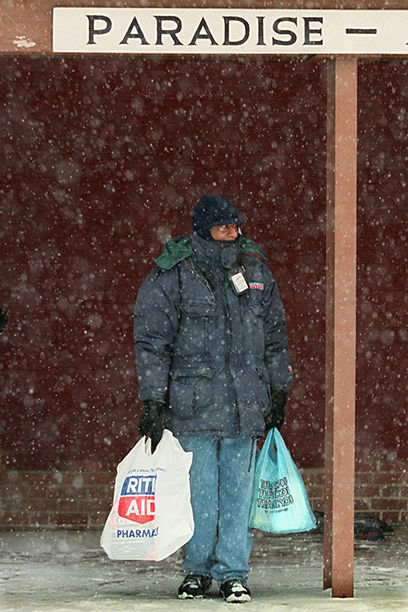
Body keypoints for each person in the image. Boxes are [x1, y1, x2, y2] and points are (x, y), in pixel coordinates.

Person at [133, 195, 293, 603]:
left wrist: (279, 389)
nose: (233, 233)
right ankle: (197, 570)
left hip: (244, 405)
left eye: (235, 226)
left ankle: (234, 573)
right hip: (194, 407)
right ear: (204, 229)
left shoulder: (255, 272)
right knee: (199, 495)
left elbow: (275, 338)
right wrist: (153, 400)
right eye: (224, 227)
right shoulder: (173, 274)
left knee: (238, 497)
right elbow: (152, 342)